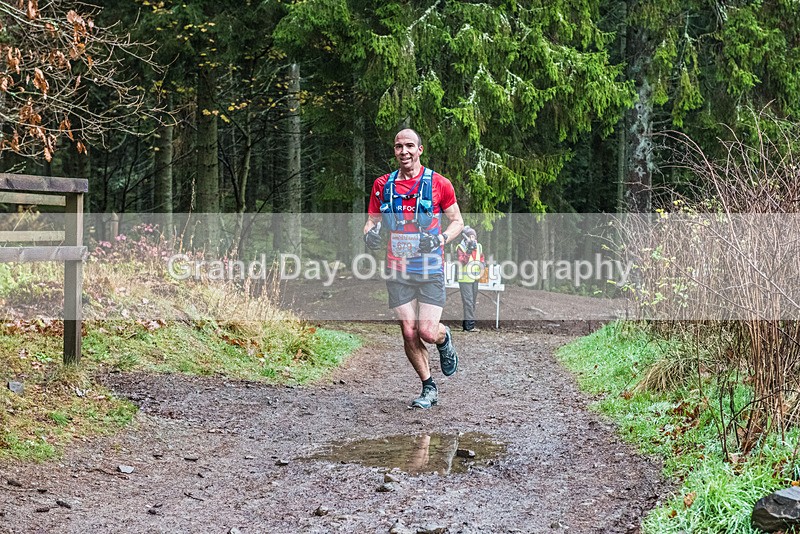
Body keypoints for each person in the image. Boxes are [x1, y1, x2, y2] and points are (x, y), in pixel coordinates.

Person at [363, 128, 464, 409]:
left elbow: (457, 222)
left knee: (427, 332)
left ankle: (444, 339)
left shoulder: (439, 183)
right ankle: (428, 386)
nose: (404, 151)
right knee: (409, 331)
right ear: (394, 151)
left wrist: (440, 238)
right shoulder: (382, 185)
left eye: (409, 145)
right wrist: (369, 235)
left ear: (420, 149)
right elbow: (371, 221)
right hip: (397, 269)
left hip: (430, 268)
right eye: (399, 146)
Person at [455, 226, 484, 332]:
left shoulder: (479, 246)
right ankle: (469, 326)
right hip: (464, 279)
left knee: (472, 302)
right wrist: (469, 251)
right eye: (470, 236)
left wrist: (483, 264)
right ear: (465, 237)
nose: (472, 239)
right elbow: (462, 261)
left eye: (474, 236)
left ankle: (467, 325)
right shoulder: (461, 247)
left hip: (475, 278)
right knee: (468, 302)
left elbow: (481, 257)